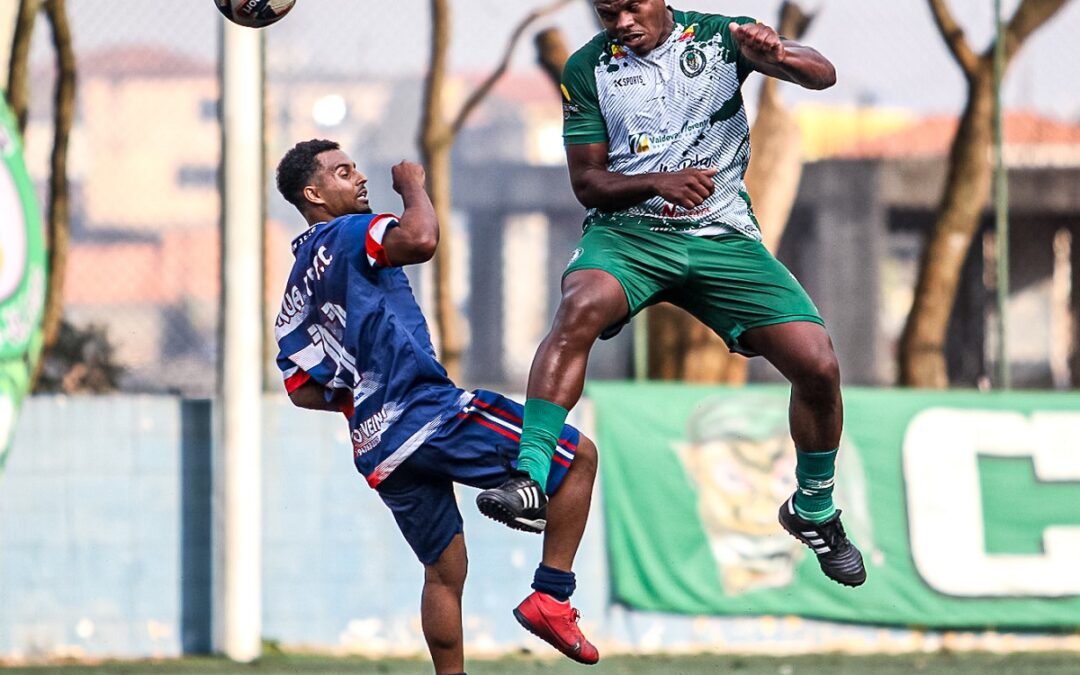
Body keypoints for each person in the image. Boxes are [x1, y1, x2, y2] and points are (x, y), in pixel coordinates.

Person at [484, 0, 865, 588]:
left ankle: (813, 509)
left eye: (630, 9)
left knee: (817, 364)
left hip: (722, 237)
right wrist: (655, 181)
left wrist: (779, 54)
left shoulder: (718, 38)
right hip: (628, 236)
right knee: (579, 305)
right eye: (607, 15)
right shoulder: (588, 68)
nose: (622, 25)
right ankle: (529, 475)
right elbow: (588, 183)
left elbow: (823, 74)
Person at [272, 139, 600, 673]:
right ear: (313, 193)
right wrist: (413, 188)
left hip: (378, 447)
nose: (358, 177)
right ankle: (552, 596)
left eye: (355, 168)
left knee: (443, 572)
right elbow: (420, 238)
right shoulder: (350, 231)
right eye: (342, 171)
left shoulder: (296, 285)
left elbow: (301, 388)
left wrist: (364, 401)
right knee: (578, 456)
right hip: (430, 414)